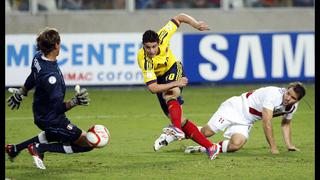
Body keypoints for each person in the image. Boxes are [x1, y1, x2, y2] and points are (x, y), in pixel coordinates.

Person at [5, 27, 96, 169]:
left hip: (41, 112)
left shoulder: (38, 57)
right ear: (56, 46)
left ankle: (14, 149)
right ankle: (40, 148)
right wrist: (75, 101)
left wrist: (22, 92)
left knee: (52, 135)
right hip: (51, 118)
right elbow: (58, 108)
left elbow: (33, 76)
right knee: (89, 142)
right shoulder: (51, 77)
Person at [137, 13, 220, 160]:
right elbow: (152, 88)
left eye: (154, 47)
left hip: (173, 68)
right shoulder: (143, 59)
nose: (151, 51)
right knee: (180, 120)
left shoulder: (163, 35)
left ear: (158, 42)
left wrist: (195, 24)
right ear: (143, 45)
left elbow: (180, 17)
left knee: (170, 94)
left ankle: (175, 130)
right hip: (160, 80)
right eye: (147, 47)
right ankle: (210, 147)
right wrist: (175, 83)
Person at [154, 82, 306, 156]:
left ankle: (200, 148)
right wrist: (273, 148)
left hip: (247, 120)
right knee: (207, 132)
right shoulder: (273, 95)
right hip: (236, 107)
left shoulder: (292, 106)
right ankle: (172, 135)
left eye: (292, 97)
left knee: (236, 144)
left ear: (297, 100)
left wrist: (289, 145)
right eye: (288, 93)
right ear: (286, 90)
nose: (288, 98)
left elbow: (286, 124)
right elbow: (266, 123)